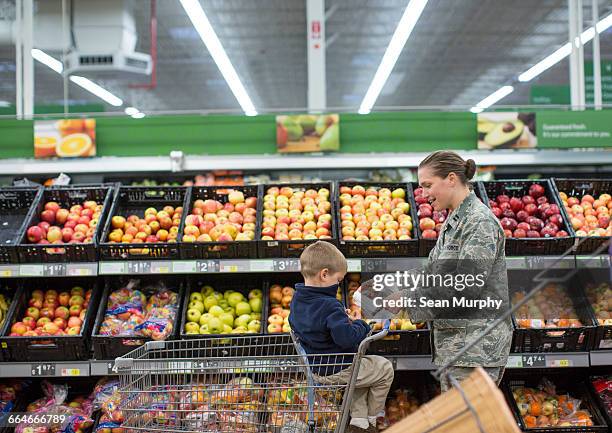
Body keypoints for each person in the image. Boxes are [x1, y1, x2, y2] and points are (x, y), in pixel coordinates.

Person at [413, 150, 513, 390]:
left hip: (475, 350)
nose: (423, 194)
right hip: (457, 348)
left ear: (451, 179)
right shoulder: (455, 221)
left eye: (427, 185)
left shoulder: (479, 222)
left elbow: (466, 286)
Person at [289, 241, 394, 433]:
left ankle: (359, 420)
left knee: (361, 371)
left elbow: (314, 326)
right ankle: (372, 417)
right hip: (338, 368)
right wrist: (361, 324)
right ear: (324, 274)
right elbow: (346, 339)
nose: (339, 285)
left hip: (316, 368)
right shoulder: (330, 305)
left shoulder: (297, 300)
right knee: (383, 368)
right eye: (338, 280)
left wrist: (341, 321)